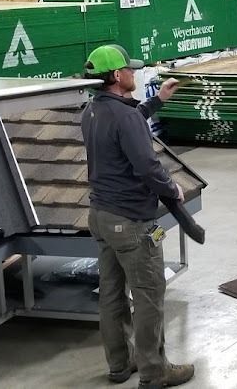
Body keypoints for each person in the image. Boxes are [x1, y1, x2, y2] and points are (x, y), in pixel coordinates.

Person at [80, 44, 195, 388]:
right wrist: (170, 188)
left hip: (100, 216)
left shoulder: (91, 111)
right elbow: (146, 165)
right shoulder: (124, 117)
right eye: (129, 69)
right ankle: (154, 371)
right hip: (130, 222)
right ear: (117, 76)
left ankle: (120, 364)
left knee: (111, 294)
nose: (134, 72)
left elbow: (126, 121)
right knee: (148, 295)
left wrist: (157, 99)